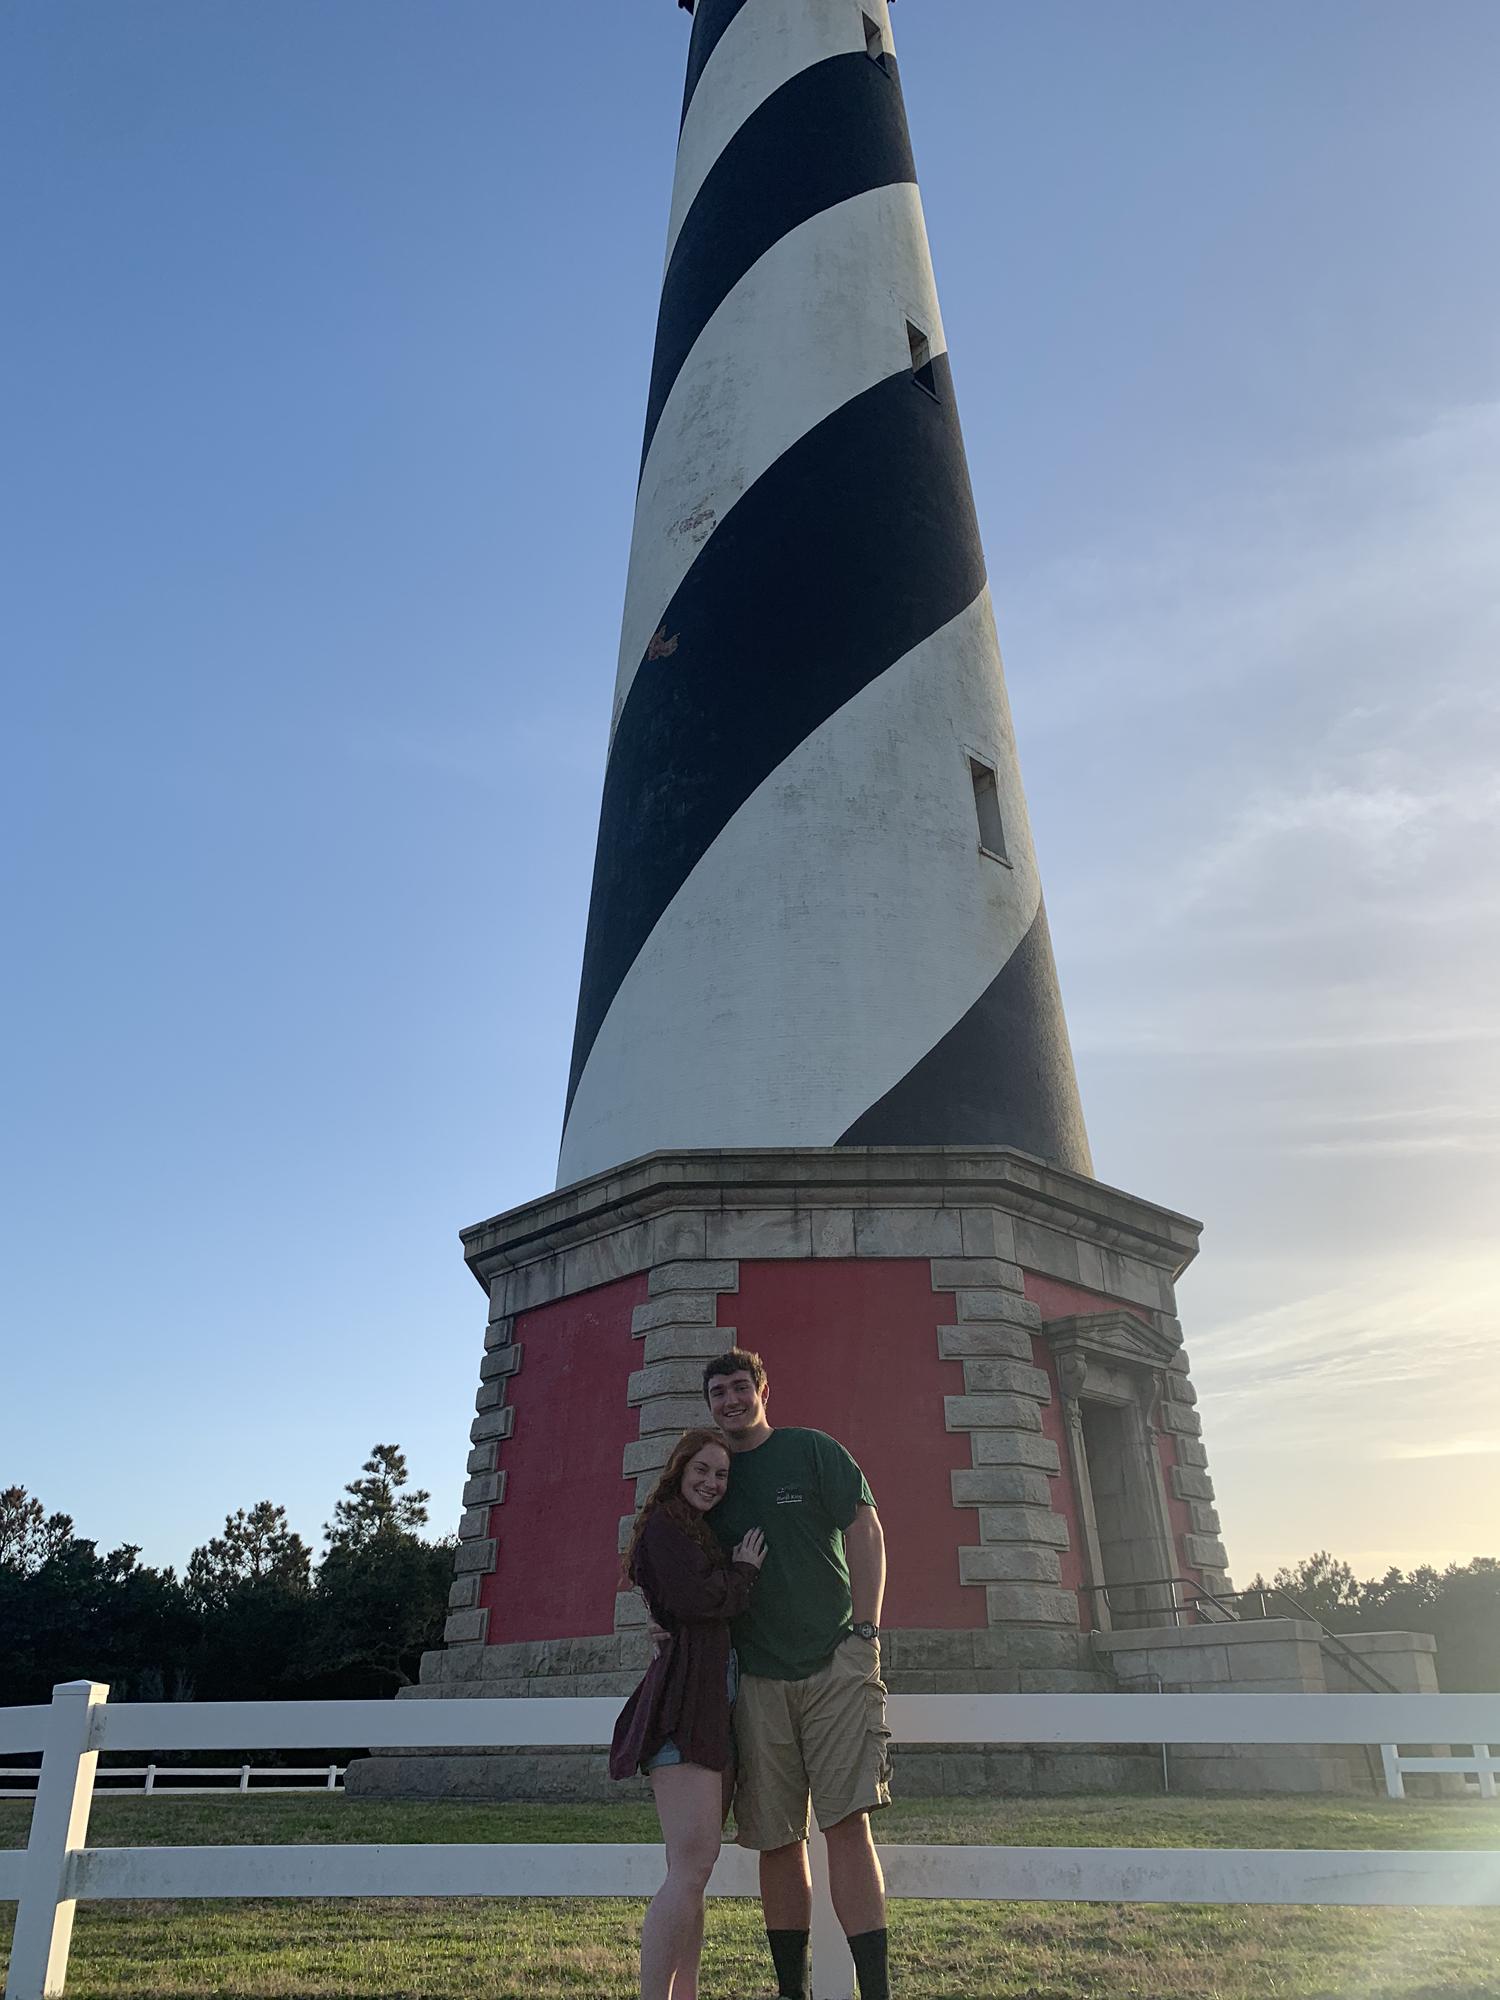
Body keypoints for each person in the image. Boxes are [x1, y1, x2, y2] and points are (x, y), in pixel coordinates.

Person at [704, 1348, 894, 2000]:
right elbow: (667, 1549)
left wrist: (863, 1632)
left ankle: (875, 1991)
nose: (730, 1400)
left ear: (762, 1389)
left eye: (738, 1387)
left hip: (833, 1665)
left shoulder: (812, 1451)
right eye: (718, 1393)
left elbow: (865, 1527)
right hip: (756, 1677)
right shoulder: (712, 1478)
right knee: (775, 1838)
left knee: (847, 1824)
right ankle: (794, 1992)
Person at [610, 1426, 767, 2000]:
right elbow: (698, 1600)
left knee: (694, 1870)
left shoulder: (687, 1529)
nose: (711, 1482)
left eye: (721, 1474)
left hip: (707, 1707)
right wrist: (744, 1571)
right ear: (679, 1470)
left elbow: (687, 1603)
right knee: (692, 1867)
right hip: (683, 1710)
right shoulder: (665, 1525)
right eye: (702, 1470)